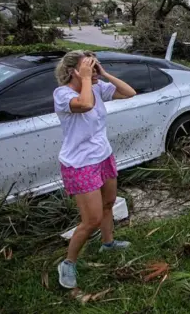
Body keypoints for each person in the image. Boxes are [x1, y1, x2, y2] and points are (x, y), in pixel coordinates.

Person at [53, 50, 137, 289]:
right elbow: (85, 104)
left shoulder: (97, 87)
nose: (93, 69)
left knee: (109, 203)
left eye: (94, 65)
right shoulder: (62, 94)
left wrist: (104, 73)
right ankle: (68, 263)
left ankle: (108, 242)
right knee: (91, 220)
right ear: (73, 71)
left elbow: (130, 92)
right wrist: (88, 79)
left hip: (103, 155)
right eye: (87, 66)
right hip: (80, 163)